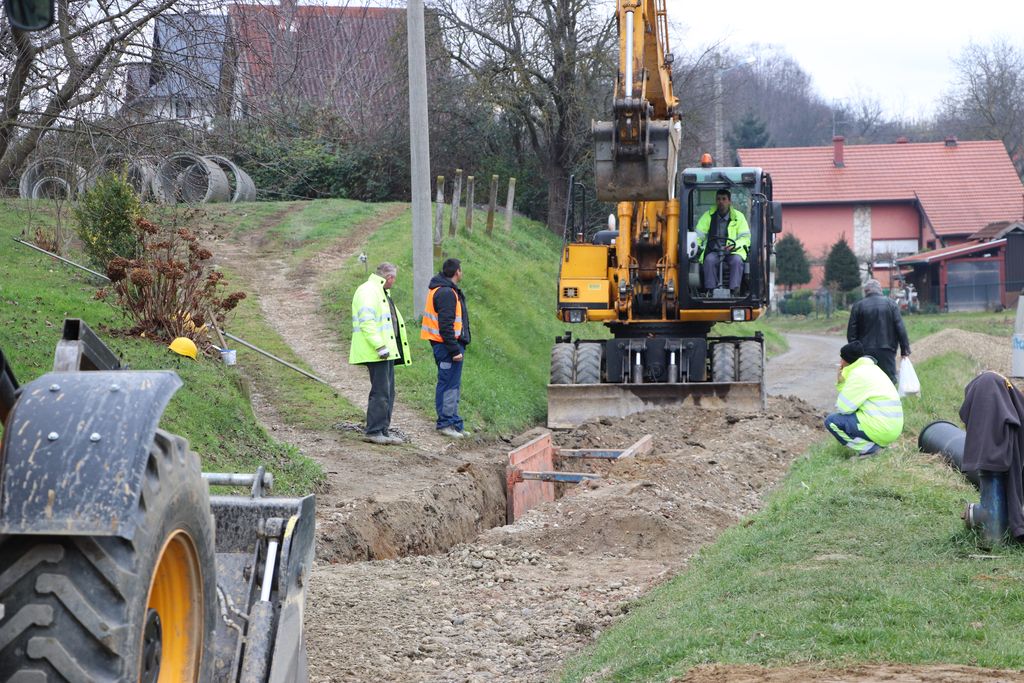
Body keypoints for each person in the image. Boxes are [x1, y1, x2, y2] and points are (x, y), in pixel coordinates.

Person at [349, 262, 411, 445]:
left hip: (385, 352)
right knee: (381, 391)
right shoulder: (369, 291)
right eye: (394, 279)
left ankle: (383, 430)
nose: (394, 283)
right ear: (389, 277)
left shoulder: (380, 292)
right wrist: (380, 346)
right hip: (377, 352)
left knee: (389, 391)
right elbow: (366, 321)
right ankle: (374, 431)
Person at [824, 340, 904, 457]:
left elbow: (843, 408)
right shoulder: (871, 369)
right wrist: (842, 383)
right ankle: (877, 444)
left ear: (847, 361)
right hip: (893, 428)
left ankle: (868, 449)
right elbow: (851, 399)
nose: (840, 362)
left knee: (832, 421)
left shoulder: (858, 374)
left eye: (842, 359)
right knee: (855, 413)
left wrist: (840, 381)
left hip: (882, 428)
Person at [421, 258, 472, 438]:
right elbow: (446, 326)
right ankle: (445, 423)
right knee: (448, 385)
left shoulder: (442, 290)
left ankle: (454, 423)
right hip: (447, 347)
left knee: (452, 385)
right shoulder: (446, 293)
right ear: (457, 271)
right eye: (461, 270)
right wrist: (454, 350)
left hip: (446, 345)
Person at [847, 278, 911, 386]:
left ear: (866, 291)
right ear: (880, 290)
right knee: (889, 381)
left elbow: (851, 334)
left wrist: (854, 355)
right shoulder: (891, 304)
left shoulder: (858, 306)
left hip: (864, 352)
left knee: (867, 382)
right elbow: (900, 328)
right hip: (887, 350)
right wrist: (904, 351)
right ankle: (888, 401)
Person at [694, 189, 751, 294]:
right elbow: (698, 235)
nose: (721, 202)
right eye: (718, 199)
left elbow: (745, 238)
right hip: (714, 251)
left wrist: (734, 246)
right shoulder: (708, 216)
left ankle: (734, 291)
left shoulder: (739, 217)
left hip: (733, 251)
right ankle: (711, 291)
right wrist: (694, 247)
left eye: (724, 199)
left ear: (729, 201)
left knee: (737, 261)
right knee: (708, 260)